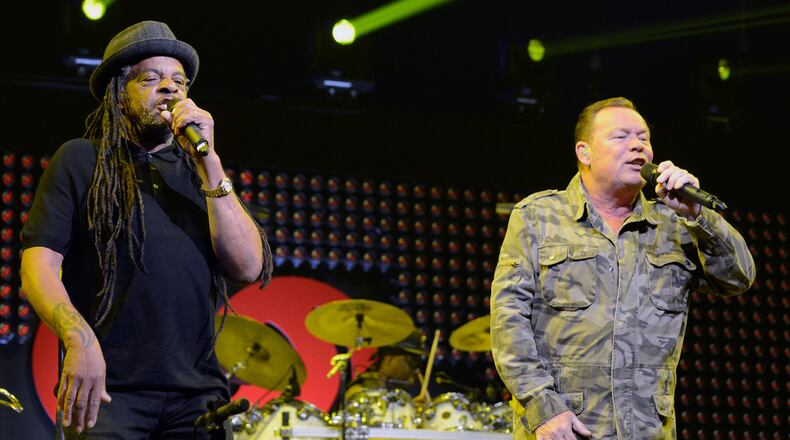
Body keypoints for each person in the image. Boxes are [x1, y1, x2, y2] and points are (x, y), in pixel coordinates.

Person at [20, 21, 272, 438]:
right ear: (120, 93)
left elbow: (248, 267)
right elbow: (38, 268)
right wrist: (78, 339)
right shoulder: (81, 160)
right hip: (110, 392)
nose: (170, 87)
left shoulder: (201, 174)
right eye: (151, 78)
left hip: (198, 395)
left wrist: (209, 162)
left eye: (179, 81)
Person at [490, 97, 755, 440]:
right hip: (565, 429)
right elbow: (508, 319)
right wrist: (543, 406)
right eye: (620, 137)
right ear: (584, 153)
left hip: (648, 430)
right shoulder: (537, 217)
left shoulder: (674, 224)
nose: (637, 146)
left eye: (644, 138)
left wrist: (697, 214)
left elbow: (738, 278)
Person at [345, 329, 426, 401]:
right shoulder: (360, 392)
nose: (416, 370)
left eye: (417, 364)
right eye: (412, 362)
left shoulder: (402, 397)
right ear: (390, 358)